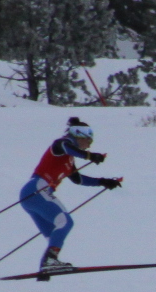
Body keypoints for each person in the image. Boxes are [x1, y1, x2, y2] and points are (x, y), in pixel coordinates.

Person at [21, 117, 122, 274]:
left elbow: (78, 179)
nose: (90, 144)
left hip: (31, 195)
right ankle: (50, 262)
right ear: (78, 135)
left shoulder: (69, 159)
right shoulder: (60, 144)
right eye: (88, 139)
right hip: (37, 189)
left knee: (54, 234)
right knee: (65, 222)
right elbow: (66, 146)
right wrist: (89, 156)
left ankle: (46, 267)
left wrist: (104, 181)